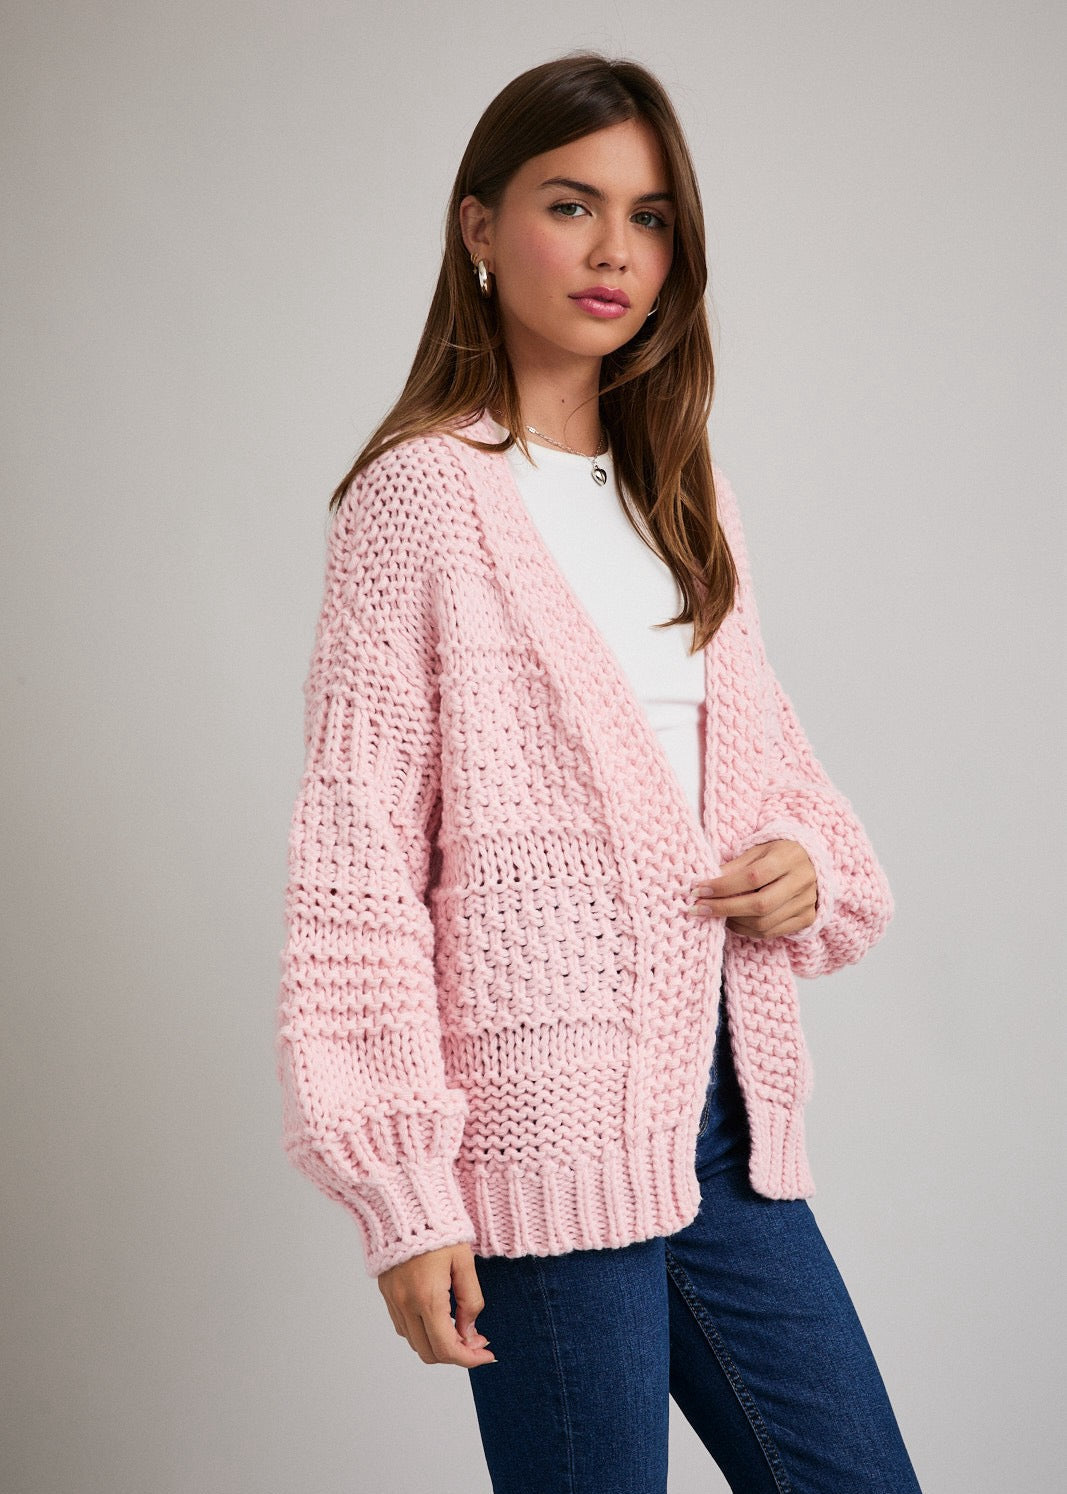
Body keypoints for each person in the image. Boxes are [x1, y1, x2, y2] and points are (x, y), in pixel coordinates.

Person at [276, 52, 922, 1494]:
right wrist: (403, 1194)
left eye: (650, 217)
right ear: (479, 226)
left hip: (722, 1121)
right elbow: (357, 868)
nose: (615, 249)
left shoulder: (684, 496)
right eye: (571, 205)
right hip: (537, 1126)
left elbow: (779, 782)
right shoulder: (418, 498)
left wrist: (805, 870)